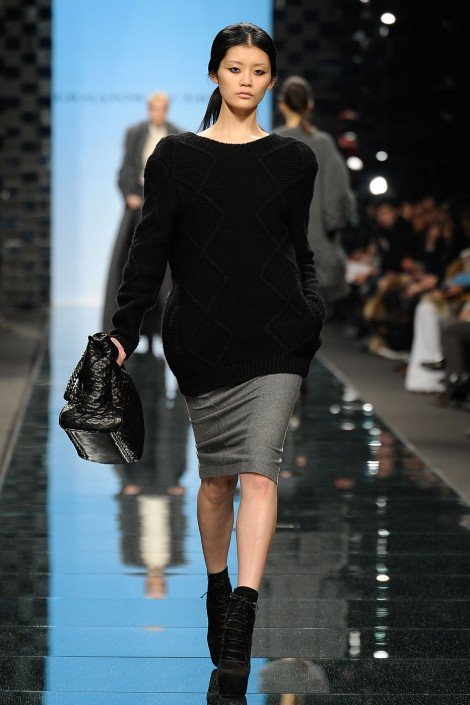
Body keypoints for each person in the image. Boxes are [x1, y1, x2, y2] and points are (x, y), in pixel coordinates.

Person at [107, 22, 326, 697]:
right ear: (214, 74)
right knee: (215, 483)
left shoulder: (293, 160)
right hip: (203, 337)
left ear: (270, 80)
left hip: (277, 336)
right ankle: (217, 585)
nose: (246, 81)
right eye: (235, 68)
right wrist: (123, 328)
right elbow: (149, 249)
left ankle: (242, 621)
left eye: (258, 71)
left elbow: (298, 247)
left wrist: (310, 311)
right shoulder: (175, 157)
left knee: (260, 471)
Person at [101, 92, 184, 354]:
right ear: (149, 110)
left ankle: (160, 330)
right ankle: (127, 330)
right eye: (154, 108)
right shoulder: (135, 133)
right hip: (138, 208)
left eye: (162, 108)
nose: (158, 113)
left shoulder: (177, 135)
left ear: (166, 110)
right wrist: (129, 194)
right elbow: (125, 170)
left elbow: (181, 174)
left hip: (165, 207)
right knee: (133, 267)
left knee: (164, 272)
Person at [273, 76, 357, 309]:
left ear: (282, 105)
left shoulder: (270, 144)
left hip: (278, 257)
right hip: (317, 255)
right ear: (309, 105)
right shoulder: (323, 144)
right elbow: (336, 204)